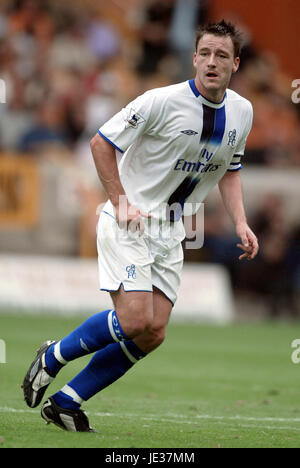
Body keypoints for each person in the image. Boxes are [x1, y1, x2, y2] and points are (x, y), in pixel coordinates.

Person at [22, 20, 259, 432]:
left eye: (221, 55)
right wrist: (120, 202)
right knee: (134, 321)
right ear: (193, 58)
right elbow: (101, 143)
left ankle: (67, 403)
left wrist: (241, 222)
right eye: (204, 53)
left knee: (152, 334)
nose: (211, 62)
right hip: (129, 222)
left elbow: (231, 170)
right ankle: (53, 355)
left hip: (171, 233)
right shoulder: (159, 101)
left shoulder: (243, 112)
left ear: (235, 64)